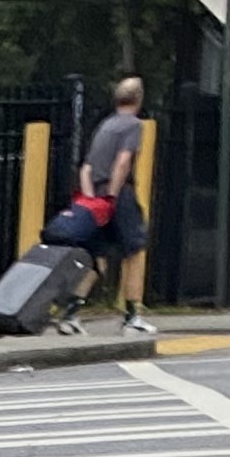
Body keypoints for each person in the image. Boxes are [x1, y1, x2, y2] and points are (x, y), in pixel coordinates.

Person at [78, 76, 157, 336]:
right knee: (134, 251)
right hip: (118, 193)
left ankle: (71, 311)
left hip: (96, 192)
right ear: (139, 99)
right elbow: (123, 162)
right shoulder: (133, 126)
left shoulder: (105, 126)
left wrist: (92, 200)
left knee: (96, 255)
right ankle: (132, 316)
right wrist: (113, 196)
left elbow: (87, 168)